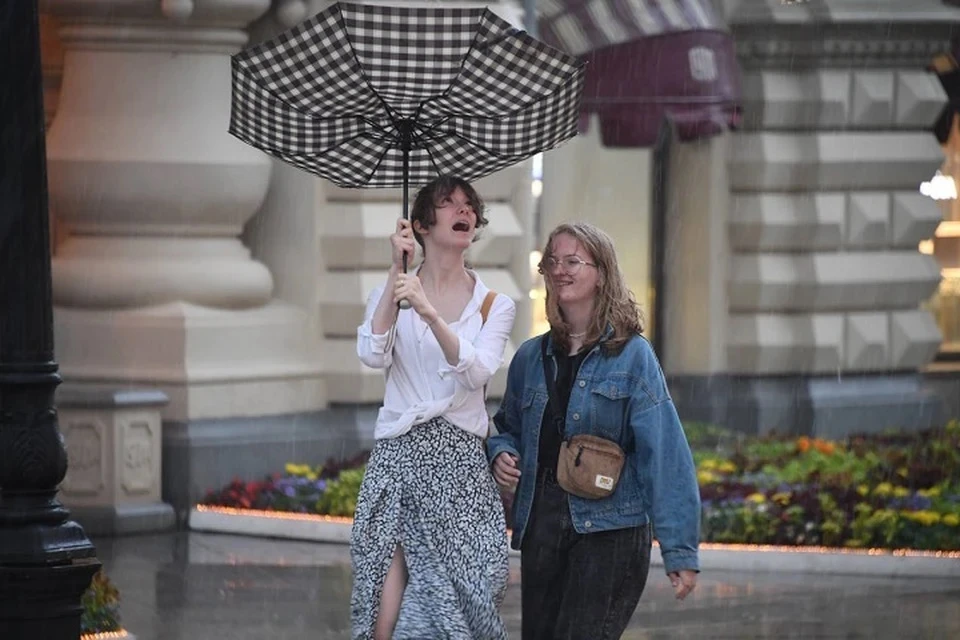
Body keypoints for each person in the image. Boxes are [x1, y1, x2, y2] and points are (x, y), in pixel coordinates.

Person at [487, 221, 700, 640]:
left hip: (609, 531)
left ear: (601, 274)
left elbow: (665, 452)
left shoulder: (633, 356)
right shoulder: (530, 357)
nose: (559, 270)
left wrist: (680, 551)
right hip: (541, 528)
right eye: (552, 261)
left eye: (573, 261)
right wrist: (501, 452)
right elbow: (506, 426)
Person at [351, 175, 516, 640]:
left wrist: (428, 311)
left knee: (466, 595)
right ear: (421, 225)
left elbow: (476, 372)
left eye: (469, 205)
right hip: (397, 456)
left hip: (458, 463)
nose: (464, 211)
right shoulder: (392, 293)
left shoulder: (494, 305)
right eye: (449, 203)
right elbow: (372, 354)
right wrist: (395, 273)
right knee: (382, 589)